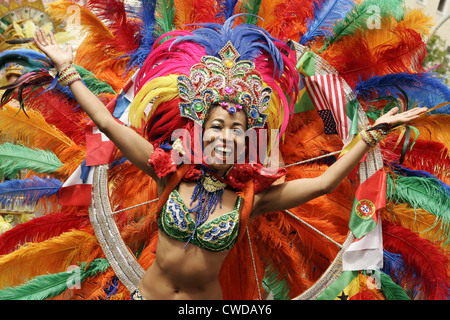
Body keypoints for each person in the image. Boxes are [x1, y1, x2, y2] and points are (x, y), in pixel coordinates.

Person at [33, 24, 428, 301]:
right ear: (200, 130)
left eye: (236, 130)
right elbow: (106, 121)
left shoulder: (251, 198)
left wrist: (369, 136)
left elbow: (325, 183)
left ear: (246, 142)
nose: (224, 135)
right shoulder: (167, 169)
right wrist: (67, 69)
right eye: (216, 126)